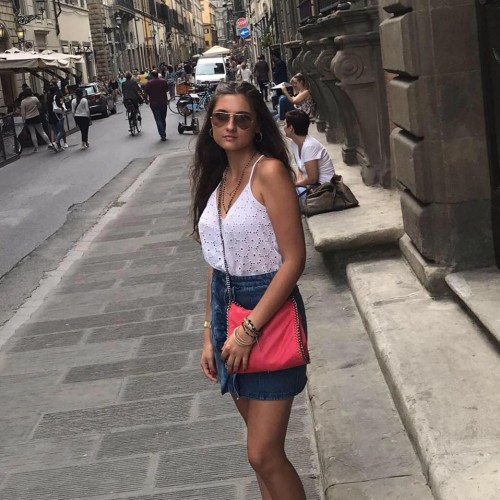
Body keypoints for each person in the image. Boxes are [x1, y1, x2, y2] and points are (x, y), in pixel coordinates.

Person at [191, 81, 308, 500]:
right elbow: (217, 262)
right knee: (259, 456)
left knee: (263, 453)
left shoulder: (269, 172)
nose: (230, 126)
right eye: (221, 117)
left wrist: (249, 330)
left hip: (266, 312)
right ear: (210, 124)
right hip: (227, 311)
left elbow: (294, 260)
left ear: (257, 125)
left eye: (242, 119)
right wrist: (210, 332)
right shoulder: (218, 177)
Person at [284, 109, 335, 208]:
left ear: (291, 128)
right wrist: (299, 184)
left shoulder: (309, 146)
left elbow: (313, 178)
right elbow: (300, 169)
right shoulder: (294, 143)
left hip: (323, 189)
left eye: (285, 124)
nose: (283, 127)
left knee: (285, 197)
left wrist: (296, 184)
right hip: (309, 186)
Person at [20, 87, 56, 153]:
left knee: (32, 133)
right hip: (36, 116)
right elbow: (39, 106)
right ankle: (49, 143)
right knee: (42, 132)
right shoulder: (35, 98)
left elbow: (23, 112)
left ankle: (36, 148)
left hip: (28, 118)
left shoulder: (23, 102)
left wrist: (23, 120)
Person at [144, 69, 169, 141]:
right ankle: (163, 131)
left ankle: (162, 134)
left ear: (152, 75)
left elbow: (145, 93)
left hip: (154, 103)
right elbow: (167, 90)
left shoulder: (149, 83)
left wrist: (146, 100)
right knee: (163, 118)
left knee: (158, 119)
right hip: (163, 102)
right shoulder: (163, 81)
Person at [47, 86, 66, 152]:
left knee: (56, 130)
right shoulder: (56, 97)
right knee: (61, 130)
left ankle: (59, 146)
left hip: (51, 116)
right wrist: (62, 108)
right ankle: (56, 142)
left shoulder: (48, 98)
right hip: (57, 115)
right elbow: (59, 105)